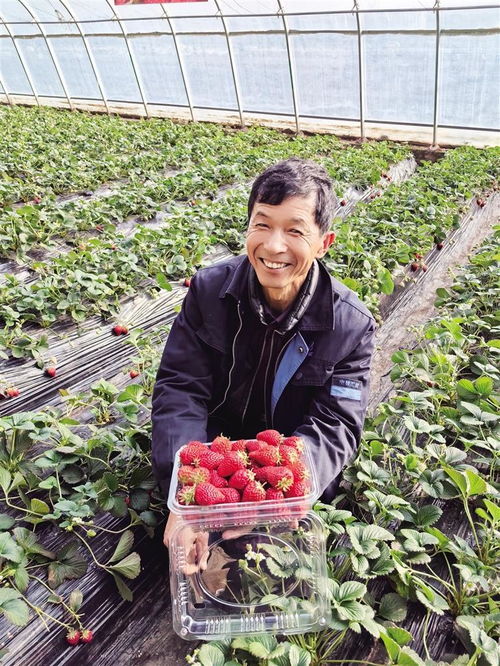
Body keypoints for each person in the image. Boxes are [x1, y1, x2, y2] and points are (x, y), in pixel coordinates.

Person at [152, 157, 376, 571]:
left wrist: (280, 496)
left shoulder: (349, 324)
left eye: (294, 230)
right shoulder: (209, 292)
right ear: (248, 228)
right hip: (212, 456)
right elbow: (181, 388)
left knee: (272, 568)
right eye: (262, 224)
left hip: (284, 470)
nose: (274, 246)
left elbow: (337, 424)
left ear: (324, 243)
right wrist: (186, 488)